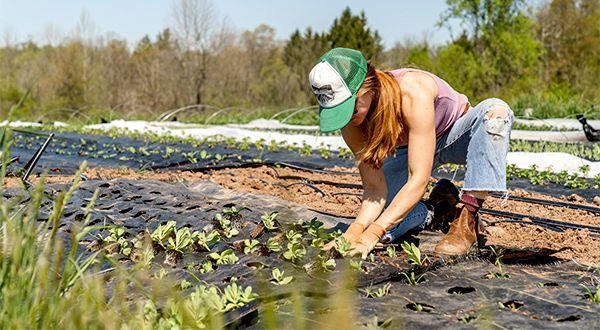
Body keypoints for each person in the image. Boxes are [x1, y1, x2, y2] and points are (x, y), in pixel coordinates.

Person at [310, 48, 514, 258]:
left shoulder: (411, 91)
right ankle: (437, 208)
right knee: (386, 222)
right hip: (410, 148)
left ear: (368, 87)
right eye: (339, 111)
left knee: (496, 113)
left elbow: (418, 179)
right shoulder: (351, 124)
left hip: (455, 134)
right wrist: (355, 231)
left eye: (350, 108)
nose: (348, 117)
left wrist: (373, 233)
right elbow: (374, 190)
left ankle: (467, 218)